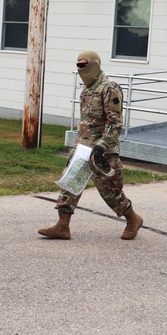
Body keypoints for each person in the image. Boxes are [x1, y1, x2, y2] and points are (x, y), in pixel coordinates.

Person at [38, 50, 143, 240]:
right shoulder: (87, 89)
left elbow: (115, 123)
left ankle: (133, 219)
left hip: (103, 151)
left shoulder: (110, 88)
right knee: (70, 186)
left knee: (110, 192)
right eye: (77, 64)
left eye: (83, 64)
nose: (80, 68)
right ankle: (62, 226)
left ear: (95, 64)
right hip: (83, 148)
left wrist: (103, 144)